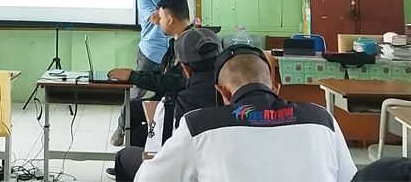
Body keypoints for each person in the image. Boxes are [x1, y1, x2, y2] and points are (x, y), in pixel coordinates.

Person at [135, 45, 357, 182]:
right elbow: (350, 178)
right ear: (275, 89)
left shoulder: (200, 125)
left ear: (223, 92)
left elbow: (148, 179)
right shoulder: (322, 120)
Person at [110, 27, 221, 182]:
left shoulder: (172, 106)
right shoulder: (233, 101)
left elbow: (155, 155)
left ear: (186, 70)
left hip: (179, 173)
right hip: (217, 171)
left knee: (126, 154)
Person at [110, 0, 183, 147]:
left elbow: (168, 82)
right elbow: (160, 72)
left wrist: (132, 76)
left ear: (170, 19)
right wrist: (132, 75)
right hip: (152, 58)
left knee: (138, 133)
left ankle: (135, 159)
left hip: (175, 106)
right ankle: (130, 155)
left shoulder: (185, 46)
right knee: (132, 106)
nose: (160, 22)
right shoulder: (176, 42)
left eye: (162, 18)